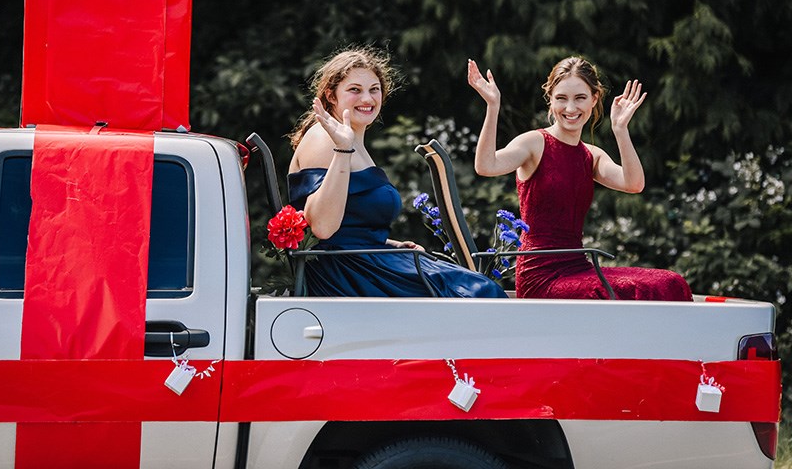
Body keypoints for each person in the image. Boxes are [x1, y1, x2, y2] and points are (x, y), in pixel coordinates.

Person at [287, 47, 507, 298]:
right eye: (354, 90)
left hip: (366, 260)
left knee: (475, 285)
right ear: (331, 95)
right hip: (345, 272)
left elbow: (350, 226)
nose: (367, 99)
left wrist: (390, 245)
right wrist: (342, 149)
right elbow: (323, 229)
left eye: (374, 89)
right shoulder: (325, 139)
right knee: (479, 293)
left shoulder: (352, 140)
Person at [467, 56, 692, 301]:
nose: (571, 108)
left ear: (594, 99)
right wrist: (492, 106)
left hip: (578, 267)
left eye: (580, 98)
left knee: (670, 282)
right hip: (541, 275)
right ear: (550, 100)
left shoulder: (591, 156)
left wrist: (620, 130)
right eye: (561, 98)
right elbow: (486, 166)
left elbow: (634, 183)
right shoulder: (534, 142)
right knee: (631, 290)